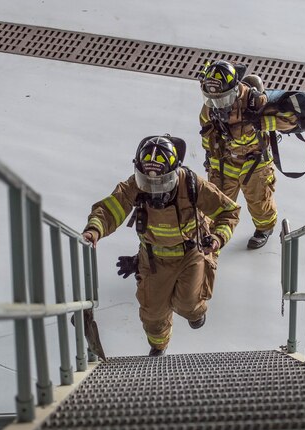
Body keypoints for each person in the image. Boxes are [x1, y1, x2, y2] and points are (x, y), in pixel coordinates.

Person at [82, 135, 240, 356]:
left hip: (191, 253)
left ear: (176, 171)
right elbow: (109, 209)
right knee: (152, 313)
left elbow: (228, 211)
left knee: (188, 304)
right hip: (153, 259)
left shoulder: (192, 184)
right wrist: (94, 229)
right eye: (147, 181)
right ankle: (159, 345)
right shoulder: (134, 185)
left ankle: (196, 313)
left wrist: (217, 238)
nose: (154, 188)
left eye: (162, 181)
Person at [199, 59, 298, 249]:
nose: (217, 103)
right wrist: (209, 157)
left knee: (259, 200)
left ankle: (264, 229)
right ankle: (212, 236)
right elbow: (206, 130)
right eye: (212, 98)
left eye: (222, 98)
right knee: (216, 202)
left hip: (254, 162)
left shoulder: (255, 101)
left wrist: (263, 122)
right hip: (224, 161)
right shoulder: (210, 107)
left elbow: (291, 120)